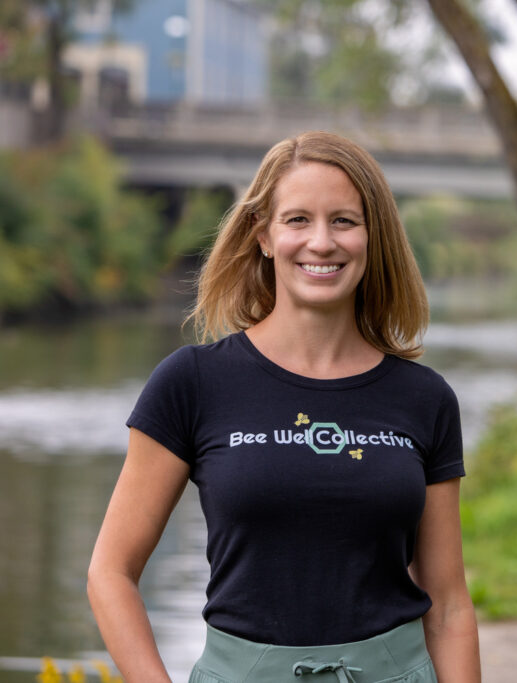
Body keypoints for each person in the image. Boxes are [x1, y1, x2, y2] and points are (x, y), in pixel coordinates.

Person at [87, 131, 481, 683]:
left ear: (374, 237)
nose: (322, 242)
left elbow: (450, 604)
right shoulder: (193, 383)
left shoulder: (425, 399)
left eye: (344, 220)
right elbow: (111, 572)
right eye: (297, 220)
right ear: (264, 236)